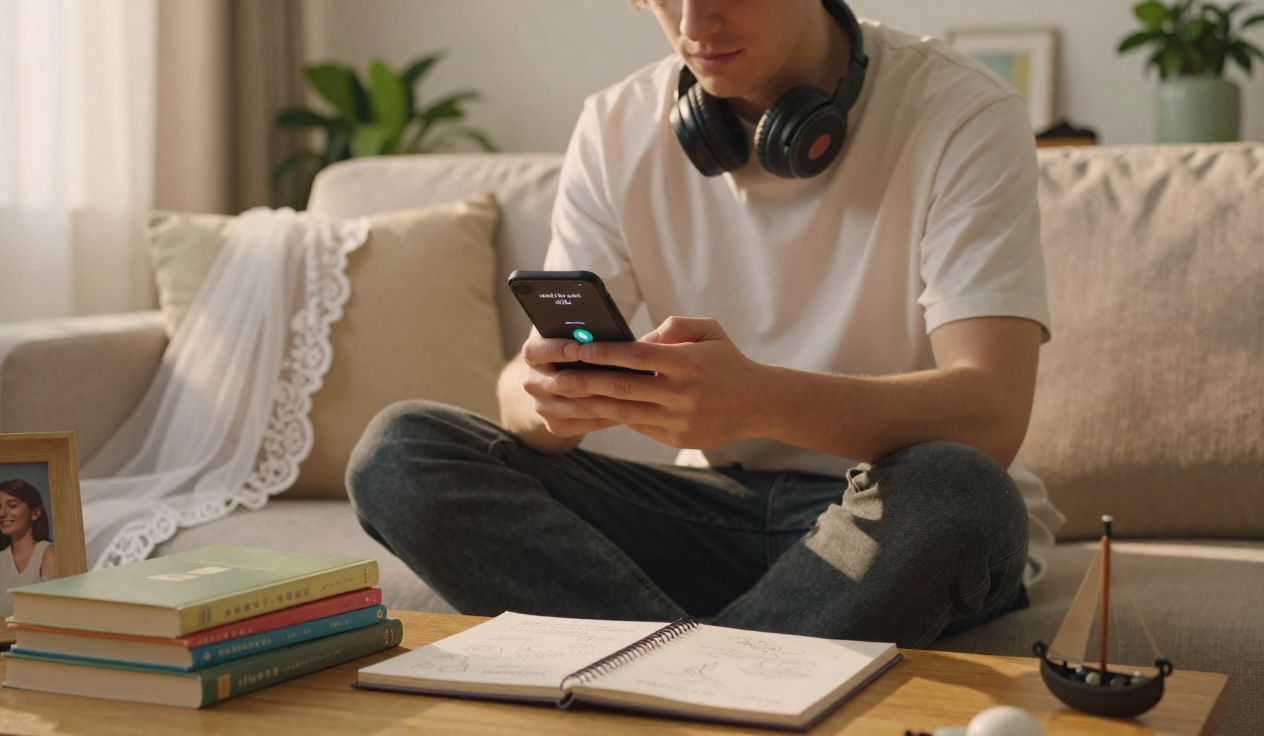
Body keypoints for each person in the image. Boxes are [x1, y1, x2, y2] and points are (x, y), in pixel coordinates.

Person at [347, 0, 1063, 647]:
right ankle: (722, 677)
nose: (693, 25)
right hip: (711, 514)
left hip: (891, 517)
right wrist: (542, 399)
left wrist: (758, 401)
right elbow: (528, 388)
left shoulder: (962, 110)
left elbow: (991, 414)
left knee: (958, 490)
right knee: (402, 453)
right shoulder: (617, 125)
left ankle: (664, 678)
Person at [0, 480, 57, 618]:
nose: (1, 513)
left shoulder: (48, 554)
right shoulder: (1, 557)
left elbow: (54, 615)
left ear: (35, 512)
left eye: (12, 505)